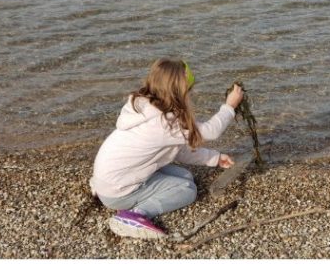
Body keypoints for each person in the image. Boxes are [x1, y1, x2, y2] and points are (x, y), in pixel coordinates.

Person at [90, 59, 244, 239]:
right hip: (117, 190)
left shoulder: (143, 106)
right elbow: (212, 131)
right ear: (179, 93)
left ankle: (118, 196)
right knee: (187, 189)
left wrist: (214, 158)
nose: (190, 96)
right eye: (189, 91)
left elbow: (178, 150)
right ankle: (135, 214)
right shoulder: (166, 123)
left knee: (186, 176)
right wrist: (229, 106)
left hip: (108, 178)